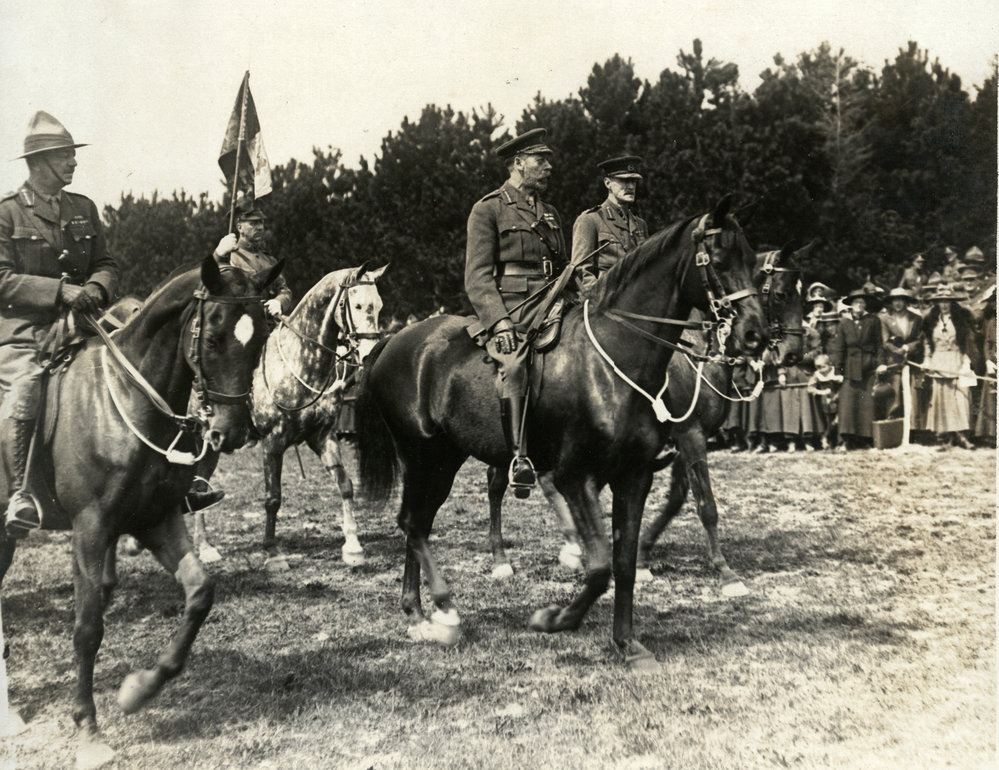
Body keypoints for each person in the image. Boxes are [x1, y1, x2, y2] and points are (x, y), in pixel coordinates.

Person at [0, 112, 119, 535]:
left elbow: (105, 263)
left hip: (84, 324)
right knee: (27, 386)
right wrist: (59, 292)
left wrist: (97, 290)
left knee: (140, 359)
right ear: (39, 162)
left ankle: (169, 479)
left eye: (72, 155)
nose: (73, 162)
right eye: (65, 156)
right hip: (25, 336)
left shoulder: (83, 208)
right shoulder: (9, 213)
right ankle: (20, 495)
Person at [464, 128, 566, 497]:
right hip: (515, 307)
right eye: (541, 160)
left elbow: (563, 266)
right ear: (518, 163)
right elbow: (477, 277)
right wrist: (500, 321)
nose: (549, 167)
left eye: (548, 160)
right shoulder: (488, 208)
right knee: (513, 363)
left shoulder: (551, 213)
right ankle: (519, 457)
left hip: (555, 300)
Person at [572, 154, 648, 296]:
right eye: (624, 181)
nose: (631, 186)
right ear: (607, 183)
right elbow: (581, 270)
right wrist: (598, 297)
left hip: (636, 299)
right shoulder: (591, 220)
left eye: (634, 181)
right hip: (605, 300)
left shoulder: (640, 224)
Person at [922, 285, 979, 449]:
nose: (944, 304)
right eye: (941, 301)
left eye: (947, 301)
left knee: (961, 399)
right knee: (943, 401)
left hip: (957, 361)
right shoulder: (931, 320)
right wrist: (927, 359)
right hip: (938, 362)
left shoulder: (961, 319)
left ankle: (962, 437)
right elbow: (926, 341)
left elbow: (969, 341)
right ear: (937, 303)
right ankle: (946, 438)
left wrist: (967, 360)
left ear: (952, 302)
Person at [828, 289, 883, 450]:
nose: (859, 305)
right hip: (850, 369)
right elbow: (839, 348)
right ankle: (845, 440)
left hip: (869, 367)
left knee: (867, 405)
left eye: (862, 302)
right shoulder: (844, 323)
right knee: (847, 406)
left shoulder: (873, 320)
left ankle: (865, 439)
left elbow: (879, 344)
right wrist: (837, 371)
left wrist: (881, 363)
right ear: (851, 305)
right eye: (856, 302)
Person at [213, 207, 292, 319]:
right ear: (240, 227)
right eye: (253, 223)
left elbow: (284, 290)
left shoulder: (269, 260)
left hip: (270, 323)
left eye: (261, 222)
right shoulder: (230, 256)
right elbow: (210, 282)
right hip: (240, 325)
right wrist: (218, 254)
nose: (260, 227)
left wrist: (279, 302)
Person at [879, 287, 924, 423]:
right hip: (894, 361)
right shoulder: (885, 319)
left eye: (901, 300)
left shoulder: (915, 318)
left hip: (912, 360)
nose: (897, 303)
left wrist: (907, 347)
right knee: (895, 395)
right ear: (891, 302)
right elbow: (885, 341)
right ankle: (893, 427)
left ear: (906, 302)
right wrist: (897, 350)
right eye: (895, 300)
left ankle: (914, 429)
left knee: (913, 394)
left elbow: (920, 339)